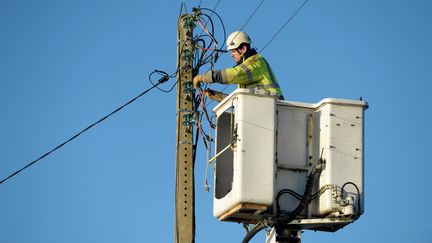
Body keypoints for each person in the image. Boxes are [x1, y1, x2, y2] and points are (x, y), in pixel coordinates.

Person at [193, 31, 284, 101]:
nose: (231, 55)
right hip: (262, 110)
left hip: (273, 108)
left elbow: (235, 74)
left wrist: (207, 77)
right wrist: (222, 97)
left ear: (243, 49)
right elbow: (243, 103)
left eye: (233, 51)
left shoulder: (256, 61)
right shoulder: (247, 71)